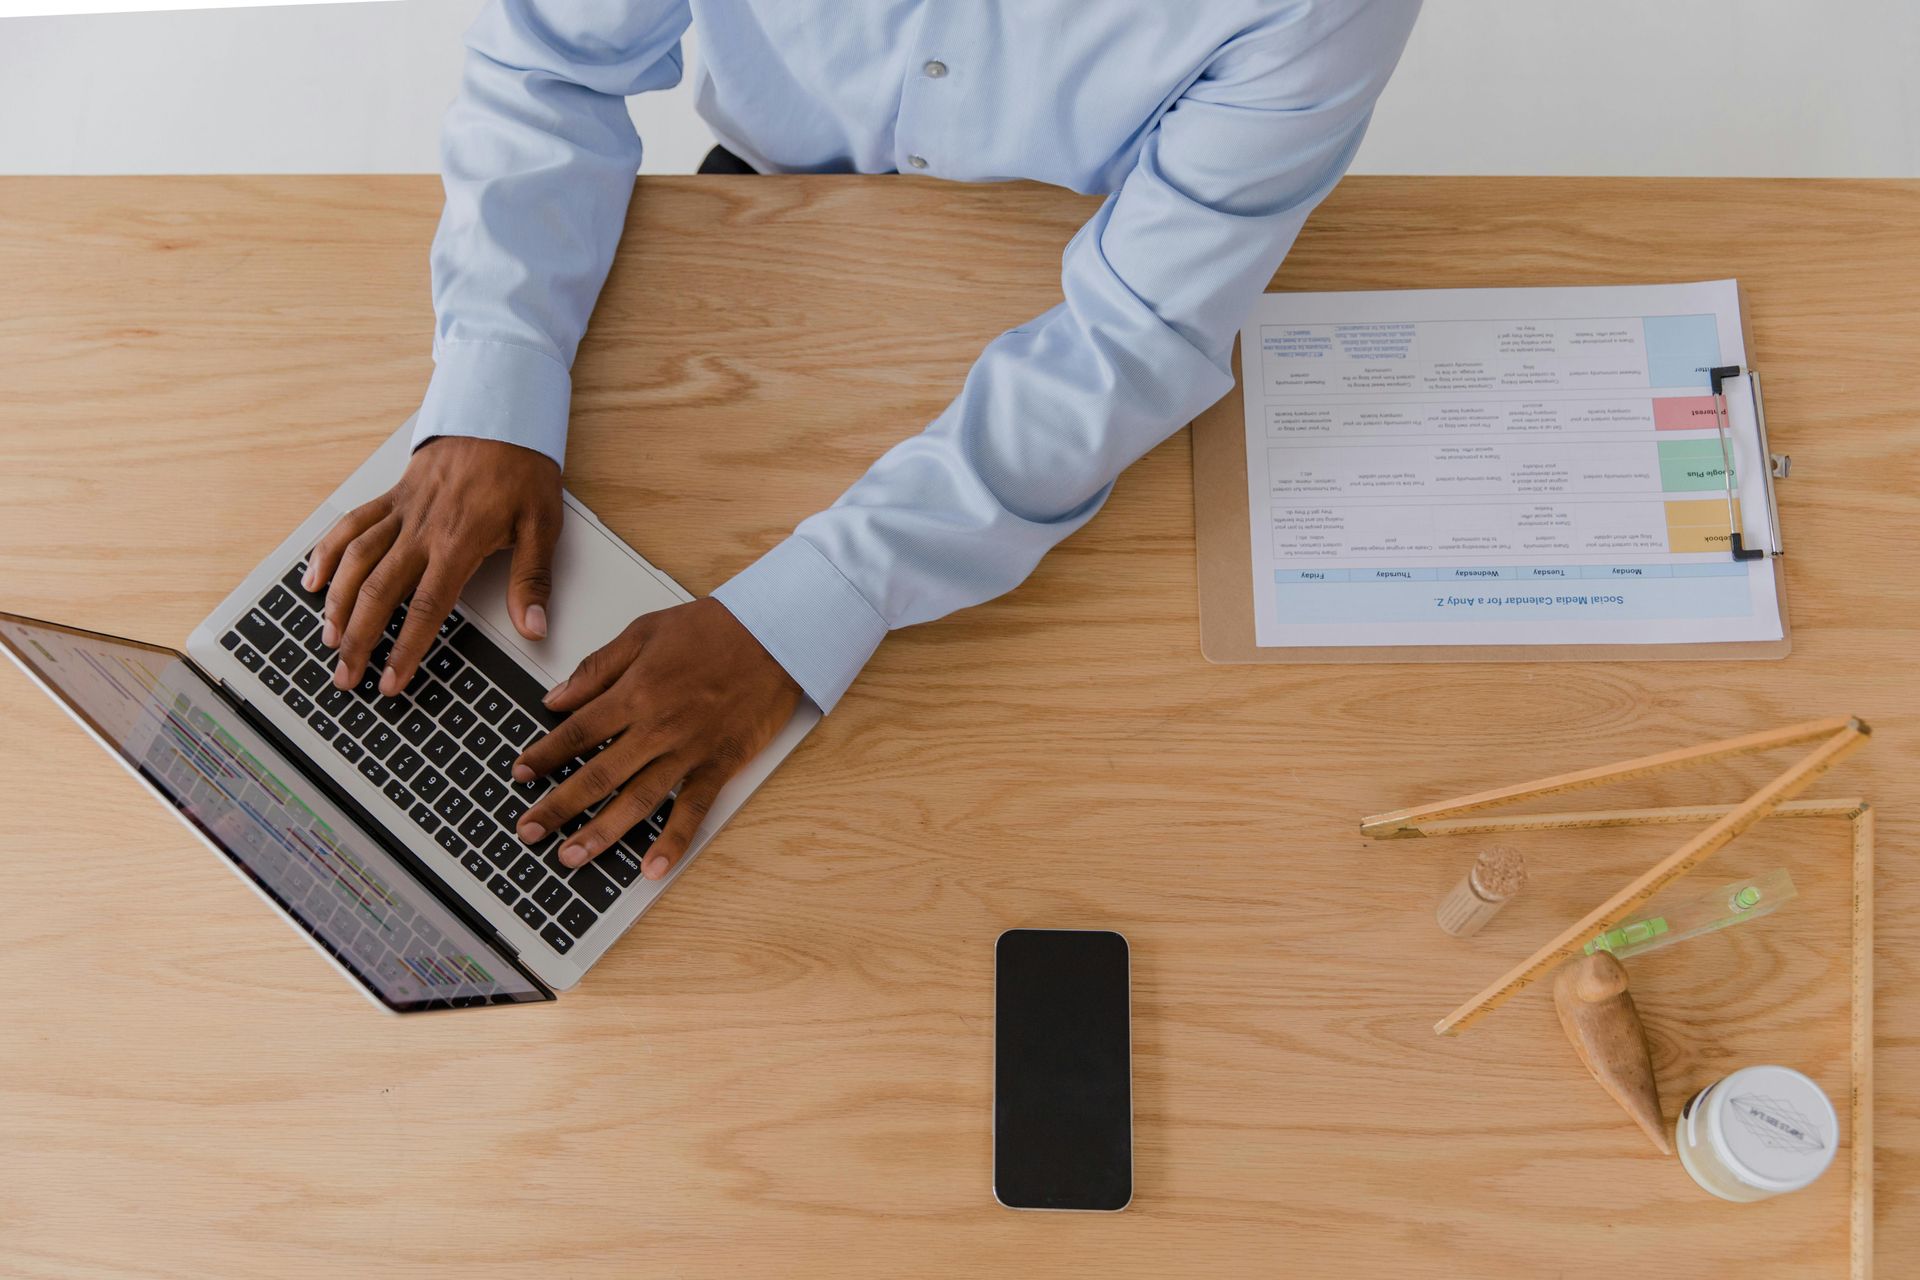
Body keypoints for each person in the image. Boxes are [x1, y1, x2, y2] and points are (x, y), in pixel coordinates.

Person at [303, 0, 1420, 884]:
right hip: (758, 230)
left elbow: (1137, 333)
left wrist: (808, 611)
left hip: (1067, 238)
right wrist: (495, 381)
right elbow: (549, 67)